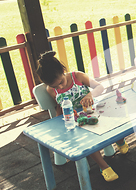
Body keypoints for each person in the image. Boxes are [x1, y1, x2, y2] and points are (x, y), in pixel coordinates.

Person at [36, 51, 128, 182]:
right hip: (78, 120)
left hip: (93, 111)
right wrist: (58, 120)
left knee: (114, 117)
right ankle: (104, 167)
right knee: (84, 138)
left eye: (61, 82)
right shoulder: (51, 90)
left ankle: (120, 141)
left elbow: (100, 87)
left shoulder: (77, 77)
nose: (60, 86)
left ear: (63, 70)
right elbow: (60, 106)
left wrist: (90, 95)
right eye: (55, 86)